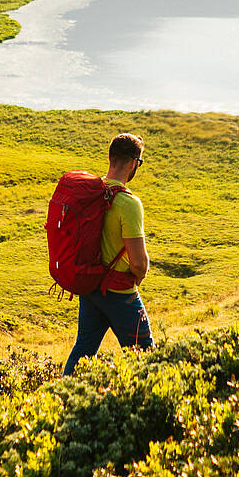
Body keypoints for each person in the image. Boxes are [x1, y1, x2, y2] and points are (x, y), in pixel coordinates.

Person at [63, 133, 152, 374]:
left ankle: (59, 398)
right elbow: (139, 263)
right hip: (119, 292)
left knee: (83, 351)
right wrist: (139, 276)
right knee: (144, 353)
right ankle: (145, 407)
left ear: (110, 157)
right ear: (134, 163)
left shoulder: (93, 192)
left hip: (90, 286)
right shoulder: (129, 203)